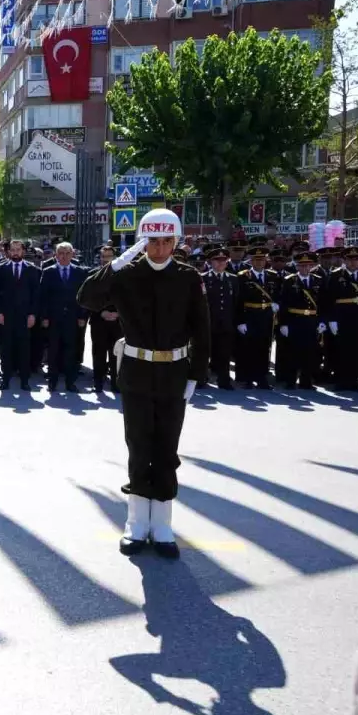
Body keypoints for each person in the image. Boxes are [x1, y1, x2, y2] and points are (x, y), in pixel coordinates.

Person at [78, 209, 209, 559]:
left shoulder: (188, 276)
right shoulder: (126, 274)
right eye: (153, 241)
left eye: (167, 241)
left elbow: (202, 328)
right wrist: (117, 264)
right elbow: (87, 298)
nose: (160, 248)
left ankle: (162, 525)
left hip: (174, 373)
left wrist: (197, 373)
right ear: (142, 242)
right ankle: (136, 522)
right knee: (138, 445)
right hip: (136, 371)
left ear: (176, 242)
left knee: (166, 448)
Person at [39, 241, 88, 393]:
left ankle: (70, 382)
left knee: (70, 351)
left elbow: (84, 297)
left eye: (67, 253)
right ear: (56, 255)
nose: (64, 256)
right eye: (61, 253)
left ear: (72, 254)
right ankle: (52, 382)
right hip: (54, 319)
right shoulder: (48, 272)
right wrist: (44, 317)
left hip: (73, 319)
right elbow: (43, 297)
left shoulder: (80, 272)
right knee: (53, 351)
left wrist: (82, 316)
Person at [322, 247, 358, 391]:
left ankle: (354, 381)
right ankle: (341, 380)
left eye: (356, 259)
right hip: (342, 317)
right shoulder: (335, 275)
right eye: (350, 259)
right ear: (344, 260)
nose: (353, 262)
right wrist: (331, 319)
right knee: (341, 350)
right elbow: (327, 299)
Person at [275, 250, 325, 390]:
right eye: (302, 265)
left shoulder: (317, 280)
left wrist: (322, 321)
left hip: (311, 321)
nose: (305, 268)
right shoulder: (289, 281)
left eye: (308, 265)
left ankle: (306, 381)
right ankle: (290, 381)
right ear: (297, 266)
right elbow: (283, 303)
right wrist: (283, 323)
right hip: (294, 320)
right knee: (292, 352)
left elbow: (323, 303)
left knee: (310, 352)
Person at [0, 239, 40, 390]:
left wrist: (33, 314)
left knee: (24, 349)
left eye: (18, 250)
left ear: (23, 251)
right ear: (8, 252)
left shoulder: (32, 269)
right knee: (6, 349)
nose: (15, 252)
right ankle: (5, 379)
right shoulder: (1, 268)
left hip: (25, 316)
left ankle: (24, 381)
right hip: (6, 316)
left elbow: (35, 294)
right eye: (12, 250)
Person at [233, 246, 280, 390]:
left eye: (262, 260)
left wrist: (276, 304)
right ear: (251, 261)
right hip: (249, 315)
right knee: (248, 348)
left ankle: (261, 378)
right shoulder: (243, 276)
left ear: (266, 260)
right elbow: (238, 300)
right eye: (256, 260)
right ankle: (246, 378)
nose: (259, 263)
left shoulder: (273, 275)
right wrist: (240, 321)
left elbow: (277, 294)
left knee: (264, 347)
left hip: (265, 316)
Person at [201, 247, 239, 389]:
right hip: (209, 323)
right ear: (211, 262)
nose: (221, 263)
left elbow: (236, 302)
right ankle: (202, 378)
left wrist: (237, 321)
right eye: (217, 260)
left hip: (226, 323)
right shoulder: (203, 278)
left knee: (225, 353)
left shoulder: (233, 279)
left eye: (224, 260)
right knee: (205, 352)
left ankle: (224, 380)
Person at [88, 245, 123, 393]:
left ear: (114, 257)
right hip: (98, 321)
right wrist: (101, 312)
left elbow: (128, 299)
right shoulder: (92, 274)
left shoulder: (124, 275)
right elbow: (87, 298)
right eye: (103, 256)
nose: (106, 259)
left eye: (109, 256)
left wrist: (118, 314)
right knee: (99, 353)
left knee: (116, 353)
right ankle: (98, 381)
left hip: (118, 322)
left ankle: (116, 383)